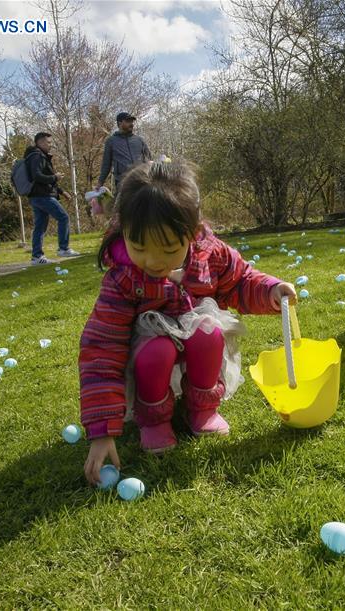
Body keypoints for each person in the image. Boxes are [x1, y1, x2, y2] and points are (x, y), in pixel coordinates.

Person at [78, 160, 297, 485]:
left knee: (208, 331)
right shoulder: (123, 279)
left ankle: (203, 409)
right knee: (158, 349)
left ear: (192, 233)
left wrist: (270, 290)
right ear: (123, 230)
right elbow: (102, 348)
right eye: (138, 247)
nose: (153, 261)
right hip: (148, 355)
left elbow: (240, 281)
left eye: (168, 249)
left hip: (197, 346)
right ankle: (153, 419)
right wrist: (101, 431)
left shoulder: (211, 254)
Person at [24, 132, 81, 264]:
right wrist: (55, 177)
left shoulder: (35, 156)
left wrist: (61, 191)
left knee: (40, 226)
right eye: (48, 142)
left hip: (36, 196)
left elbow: (45, 180)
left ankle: (36, 257)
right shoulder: (37, 156)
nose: (51, 145)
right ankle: (63, 248)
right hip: (43, 196)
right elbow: (37, 176)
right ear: (39, 142)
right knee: (63, 217)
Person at [97, 111, 152, 194]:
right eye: (128, 121)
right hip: (122, 182)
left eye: (132, 121)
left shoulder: (139, 140)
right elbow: (106, 164)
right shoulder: (111, 141)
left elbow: (149, 160)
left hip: (142, 181)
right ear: (119, 123)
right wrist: (100, 182)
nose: (131, 124)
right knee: (123, 206)